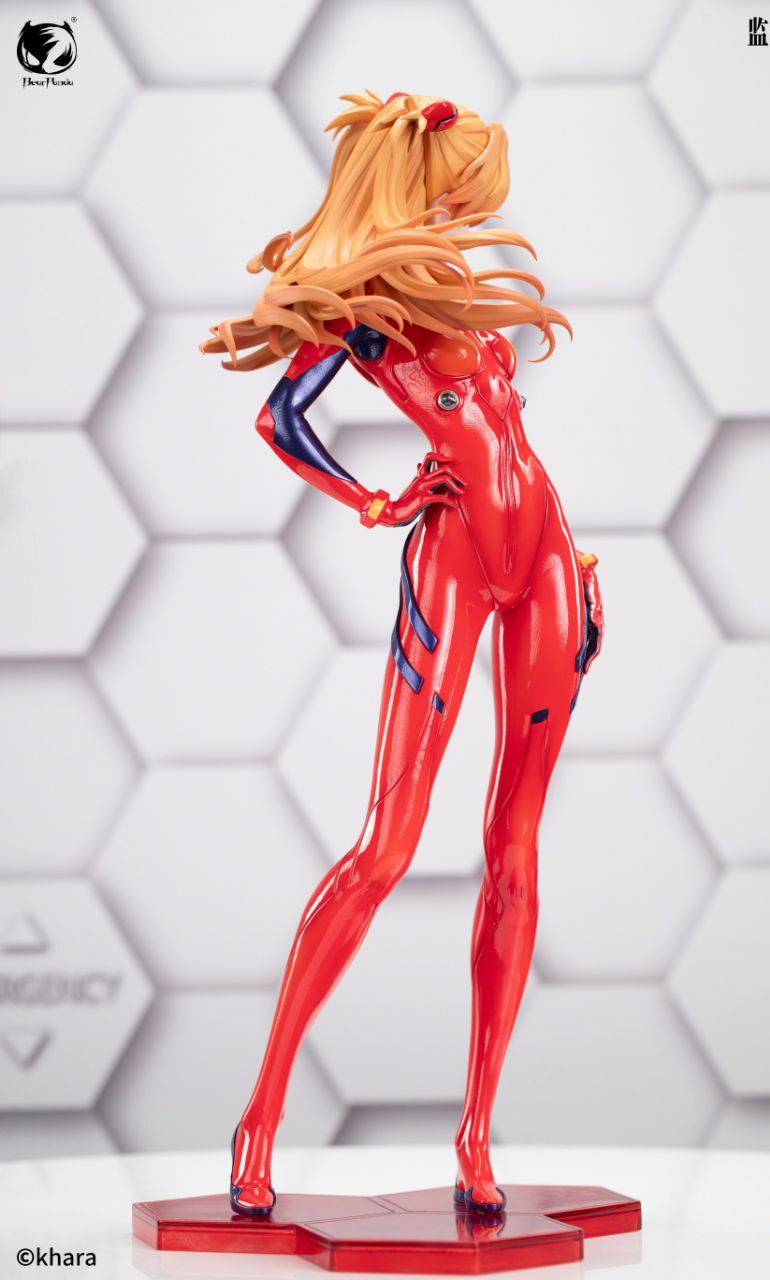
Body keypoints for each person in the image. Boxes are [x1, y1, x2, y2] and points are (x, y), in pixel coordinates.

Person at [202, 90, 603, 1216]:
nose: (465, 213)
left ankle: (477, 1132)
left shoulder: (447, 291)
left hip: (547, 558)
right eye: (456, 193)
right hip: (453, 557)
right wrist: (372, 501)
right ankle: (261, 1113)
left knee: (514, 849)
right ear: (412, 181)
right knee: (386, 844)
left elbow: (510, 438)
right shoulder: (363, 311)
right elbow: (280, 420)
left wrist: (576, 565)